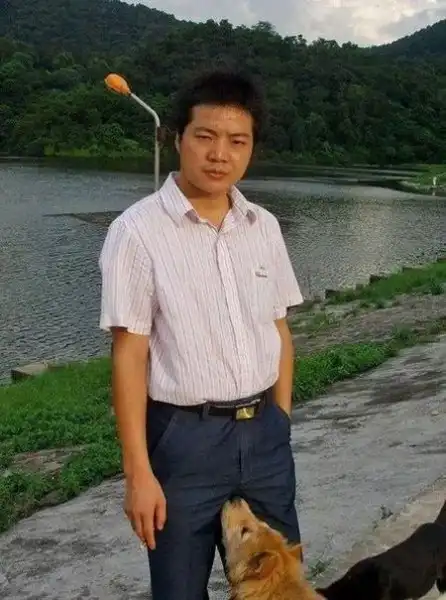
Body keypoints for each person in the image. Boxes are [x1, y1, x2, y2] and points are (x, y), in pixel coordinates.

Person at [98, 68, 304, 600]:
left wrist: (279, 419)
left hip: (264, 436)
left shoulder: (264, 227)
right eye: (205, 136)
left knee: (280, 587)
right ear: (178, 138)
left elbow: (278, 329)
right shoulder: (137, 232)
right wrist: (138, 473)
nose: (219, 155)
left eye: (237, 141)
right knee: (179, 590)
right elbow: (129, 354)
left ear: (252, 148)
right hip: (183, 442)